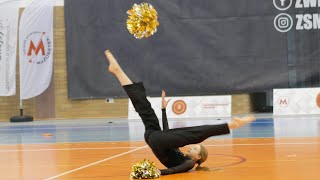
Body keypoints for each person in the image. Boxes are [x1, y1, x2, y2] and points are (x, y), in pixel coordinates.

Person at [104, 50, 256, 175]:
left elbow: (174, 170)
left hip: (156, 140)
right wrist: (163, 110)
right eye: (194, 147)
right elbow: (168, 134)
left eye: (195, 149)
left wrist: (155, 172)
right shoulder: (180, 154)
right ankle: (118, 72)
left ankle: (230, 126)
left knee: (192, 133)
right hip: (154, 136)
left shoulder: (189, 163)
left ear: (198, 157)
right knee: (144, 106)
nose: (191, 147)